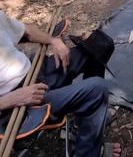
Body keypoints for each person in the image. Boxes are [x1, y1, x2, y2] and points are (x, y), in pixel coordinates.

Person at [0, 10, 121, 157]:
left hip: (36, 71)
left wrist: (53, 41)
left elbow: (25, 31)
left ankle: (82, 126)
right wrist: (11, 99)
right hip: (15, 105)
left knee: (101, 45)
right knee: (97, 89)